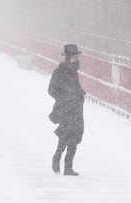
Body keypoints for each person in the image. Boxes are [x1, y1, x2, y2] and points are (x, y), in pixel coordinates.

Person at [48, 44, 86, 176]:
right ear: (69, 57)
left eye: (78, 57)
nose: (78, 60)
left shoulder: (74, 73)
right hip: (66, 109)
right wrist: (65, 98)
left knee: (74, 137)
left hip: (76, 109)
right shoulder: (60, 71)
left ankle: (68, 167)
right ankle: (57, 158)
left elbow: (74, 89)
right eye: (75, 57)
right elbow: (51, 90)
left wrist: (79, 95)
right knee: (65, 136)